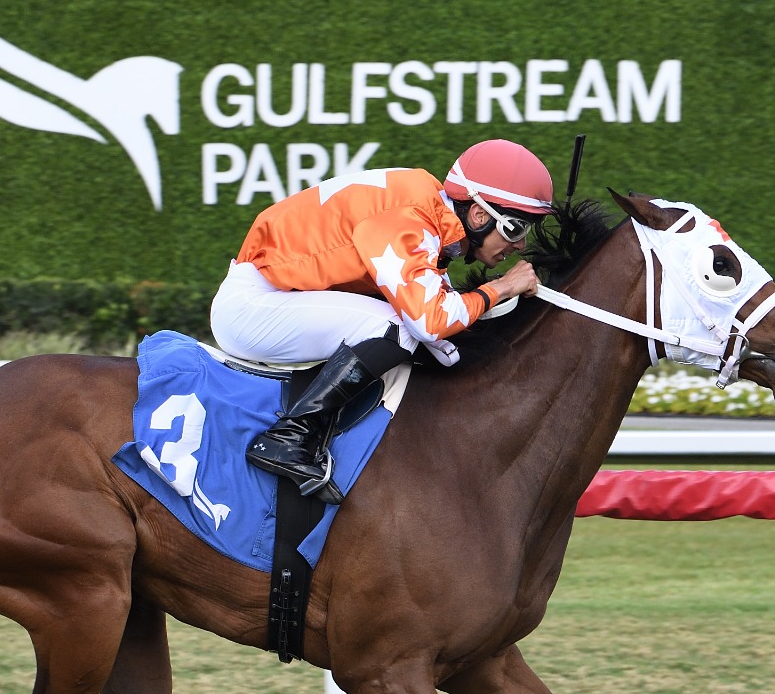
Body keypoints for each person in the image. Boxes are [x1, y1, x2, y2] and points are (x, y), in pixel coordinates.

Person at [209, 139, 554, 502]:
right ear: (479, 215)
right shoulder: (410, 218)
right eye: (515, 229)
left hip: (275, 295)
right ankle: (292, 435)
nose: (520, 246)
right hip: (254, 307)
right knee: (395, 328)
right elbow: (430, 322)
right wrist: (500, 288)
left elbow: (445, 338)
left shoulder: (428, 214)